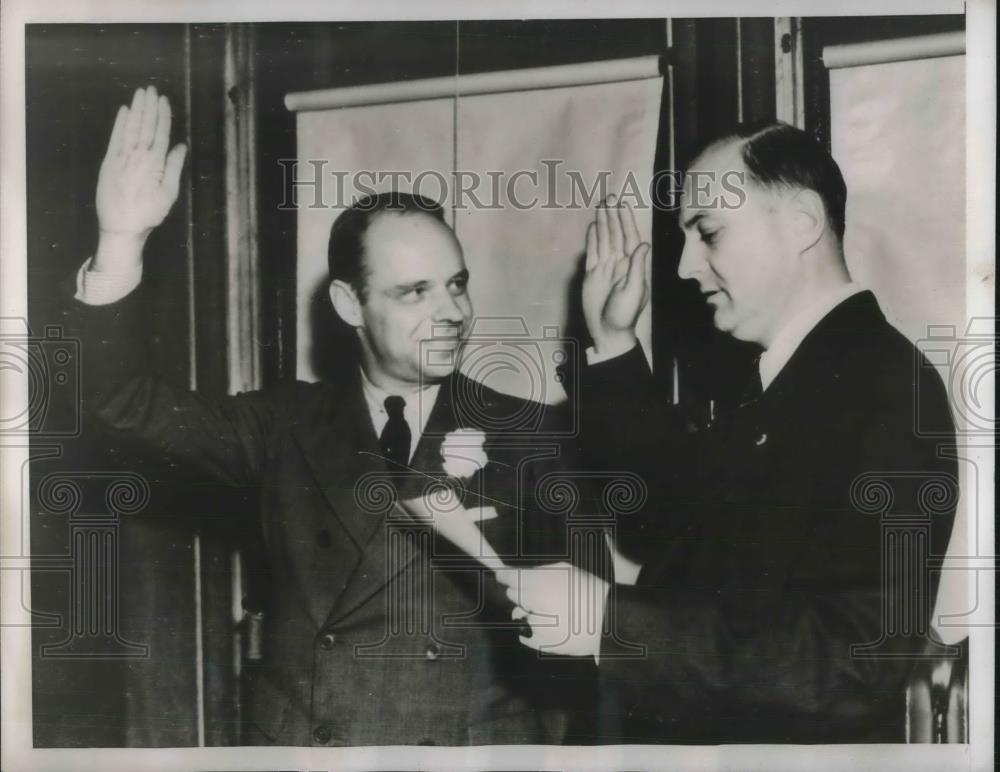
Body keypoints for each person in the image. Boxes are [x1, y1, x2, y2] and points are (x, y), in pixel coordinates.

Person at [65, 85, 592, 746]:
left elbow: (594, 641)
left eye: (456, 283)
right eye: (414, 292)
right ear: (349, 304)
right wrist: (121, 240)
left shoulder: (533, 435)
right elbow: (122, 405)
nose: (453, 313)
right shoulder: (282, 425)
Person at [504, 123, 958, 743]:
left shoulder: (882, 386)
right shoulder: (798, 376)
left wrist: (610, 624)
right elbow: (670, 516)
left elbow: (856, 658)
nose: (687, 267)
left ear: (802, 223)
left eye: (708, 232)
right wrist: (612, 345)